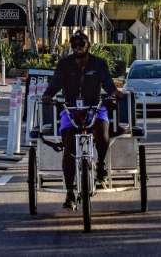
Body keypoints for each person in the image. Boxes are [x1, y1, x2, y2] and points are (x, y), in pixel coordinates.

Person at [43, 31, 123, 211]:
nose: (78, 48)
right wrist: (48, 95)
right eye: (74, 45)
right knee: (69, 146)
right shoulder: (64, 64)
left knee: (102, 132)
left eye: (81, 44)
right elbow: (56, 82)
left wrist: (113, 93)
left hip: (94, 107)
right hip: (70, 109)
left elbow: (107, 81)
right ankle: (70, 193)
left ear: (89, 45)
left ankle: (100, 164)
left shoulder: (99, 63)